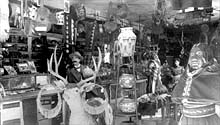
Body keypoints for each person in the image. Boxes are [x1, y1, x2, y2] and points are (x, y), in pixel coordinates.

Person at [172, 43, 220, 125]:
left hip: (206, 121)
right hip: (186, 120)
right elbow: (177, 97)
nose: (194, 58)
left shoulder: (213, 76)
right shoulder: (186, 76)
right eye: (192, 54)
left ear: (206, 57)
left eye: (199, 54)